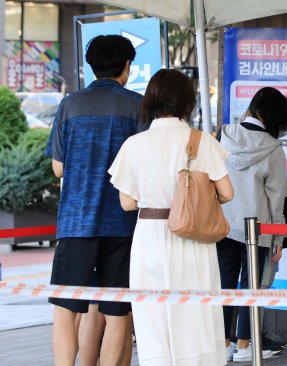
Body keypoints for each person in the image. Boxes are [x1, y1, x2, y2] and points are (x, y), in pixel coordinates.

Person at [109, 69, 233, 365]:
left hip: (149, 236)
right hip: (192, 234)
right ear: (187, 101)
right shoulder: (201, 141)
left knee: (153, 311)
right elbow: (227, 193)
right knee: (196, 310)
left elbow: (127, 202)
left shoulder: (134, 144)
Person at [45, 35, 140, 366]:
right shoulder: (138, 106)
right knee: (117, 311)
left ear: (91, 65)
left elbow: (58, 167)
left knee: (66, 307)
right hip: (124, 223)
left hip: (76, 222)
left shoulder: (69, 105)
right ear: (126, 66)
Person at [218, 87, 287, 363]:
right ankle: (245, 347)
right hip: (257, 231)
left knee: (224, 286)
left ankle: (223, 344)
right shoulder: (272, 150)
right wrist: (279, 238)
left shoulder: (223, 136)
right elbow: (275, 200)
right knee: (252, 288)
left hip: (223, 227)